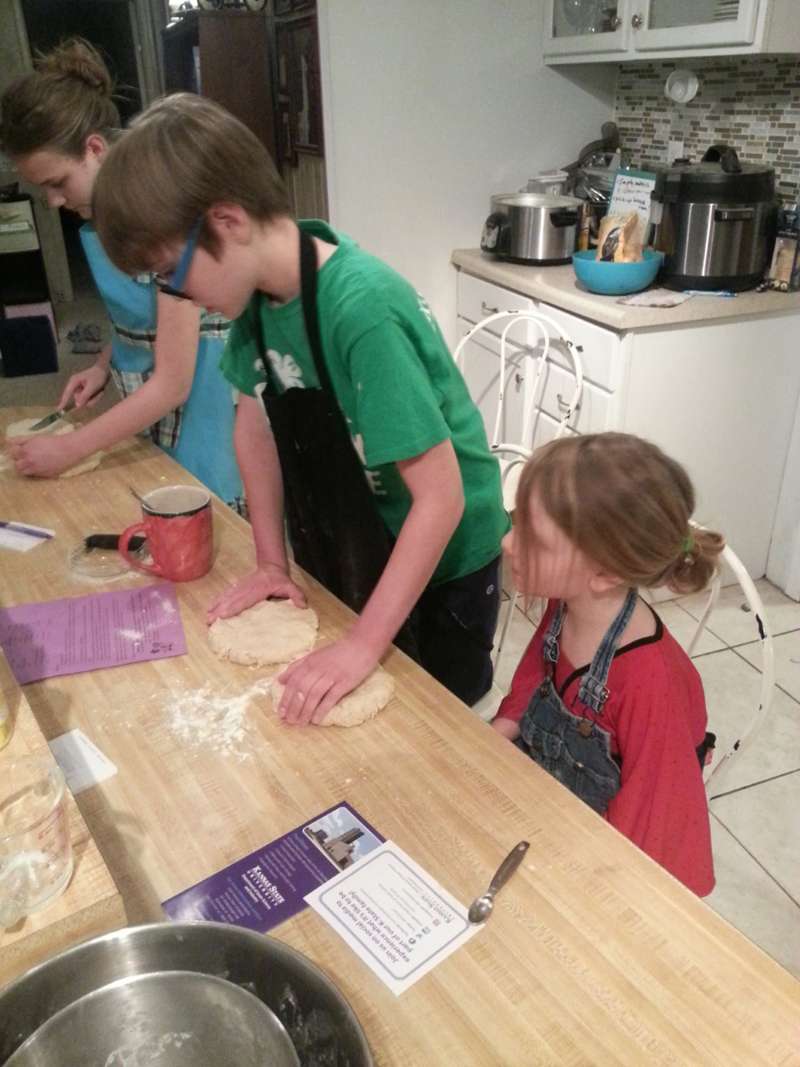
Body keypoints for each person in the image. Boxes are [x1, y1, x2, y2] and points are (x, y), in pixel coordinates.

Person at [90, 93, 509, 724]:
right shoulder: (257, 303)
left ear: (227, 221)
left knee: (437, 728)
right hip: (365, 534)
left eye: (168, 272)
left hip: (445, 558)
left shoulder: (360, 310)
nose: (172, 295)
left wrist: (364, 645)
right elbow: (254, 430)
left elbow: (441, 499)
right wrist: (267, 562)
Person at [0, 40, 242, 510]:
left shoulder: (165, 222)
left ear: (94, 148)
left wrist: (71, 447)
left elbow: (175, 381)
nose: (53, 201)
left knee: (204, 516)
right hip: (152, 404)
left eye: (56, 183)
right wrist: (102, 365)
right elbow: (144, 314)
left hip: (203, 407)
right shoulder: (105, 218)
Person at [491, 432, 723, 896]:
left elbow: (658, 827)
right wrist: (503, 727)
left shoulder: (651, 683)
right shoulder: (568, 604)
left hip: (593, 852)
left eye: (533, 538)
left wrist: (599, 888)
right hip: (539, 802)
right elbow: (537, 672)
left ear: (606, 573)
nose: (508, 542)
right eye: (516, 522)